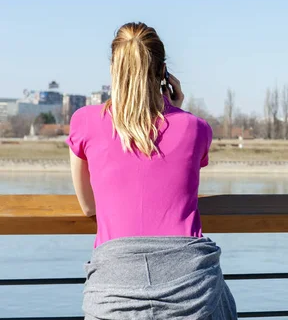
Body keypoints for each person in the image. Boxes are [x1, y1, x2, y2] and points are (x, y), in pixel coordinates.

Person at [66, 22, 237, 319]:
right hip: (192, 289)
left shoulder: (85, 121)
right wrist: (176, 109)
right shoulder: (195, 128)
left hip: (115, 290)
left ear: (114, 69)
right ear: (164, 73)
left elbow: (87, 205)